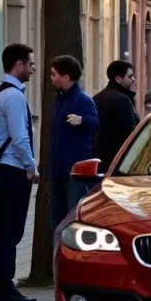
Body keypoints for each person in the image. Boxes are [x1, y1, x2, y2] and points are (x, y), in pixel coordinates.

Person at [0, 44, 39, 301]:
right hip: (13, 170)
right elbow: (19, 138)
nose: (32, 68)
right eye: (30, 64)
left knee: (0, 230)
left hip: (0, 169)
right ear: (18, 64)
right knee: (10, 232)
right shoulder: (15, 97)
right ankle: (5, 288)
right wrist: (32, 167)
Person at [48, 56, 100, 229]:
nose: (51, 78)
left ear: (66, 77)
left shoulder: (82, 100)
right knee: (56, 220)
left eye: (54, 74)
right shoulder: (59, 100)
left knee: (73, 219)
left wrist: (82, 120)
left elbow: (95, 123)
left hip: (74, 174)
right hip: (57, 171)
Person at [93, 60, 140, 167]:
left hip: (99, 158)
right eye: (130, 76)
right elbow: (129, 131)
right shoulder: (122, 100)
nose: (133, 79)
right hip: (118, 160)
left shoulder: (97, 97)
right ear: (118, 79)